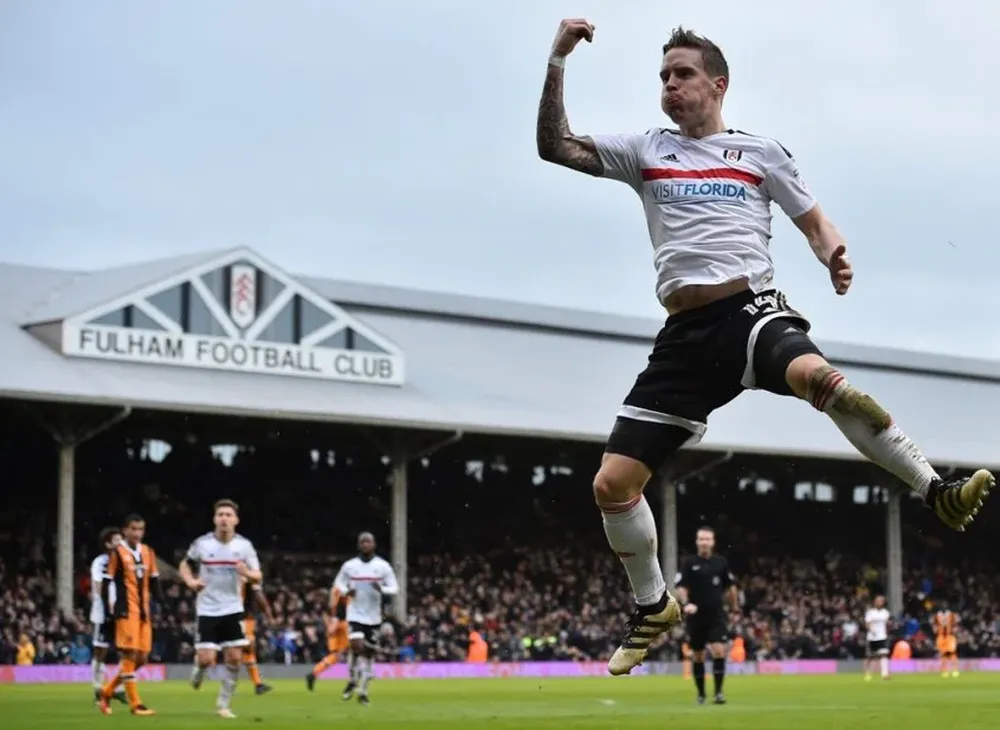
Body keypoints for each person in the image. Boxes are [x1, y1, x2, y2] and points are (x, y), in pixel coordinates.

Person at [535, 19, 995, 676]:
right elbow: (554, 146)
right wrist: (556, 61)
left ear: (717, 84)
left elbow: (814, 218)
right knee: (612, 484)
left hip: (748, 311)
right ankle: (653, 606)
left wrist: (832, 252)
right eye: (663, 76)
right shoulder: (644, 149)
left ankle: (935, 489)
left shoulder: (759, 153)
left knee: (830, 383)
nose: (670, 85)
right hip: (684, 341)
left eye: (683, 74)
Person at [179, 499, 262, 719]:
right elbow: (185, 564)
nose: (224, 518)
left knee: (234, 659)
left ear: (236, 520)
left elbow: (258, 575)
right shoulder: (202, 544)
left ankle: (223, 704)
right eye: (220, 515)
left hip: (233, 608)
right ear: (215, 519)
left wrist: (246, 573)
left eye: (228, 515)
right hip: (207, 608)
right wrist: (190, 581)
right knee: (207, 658)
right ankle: (199, 668)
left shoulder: (244, 546)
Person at [96, 514, 162, 716]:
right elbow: (107, 582)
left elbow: (154, 581)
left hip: (144, 613)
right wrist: (109, 610)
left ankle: (106, 692)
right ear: (124, 530)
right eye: (133, 529)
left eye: (140, 529)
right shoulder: (117, 553)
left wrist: (162, 604)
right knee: (129, 655)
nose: (137, 533)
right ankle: (136, 704)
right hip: (126, 611)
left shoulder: (148, 552)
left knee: (141, 658)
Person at [333, 532, 399, 705]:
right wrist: (347, 591)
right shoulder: (350, 566)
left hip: (374, 617)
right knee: (356, 645)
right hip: (355, 614)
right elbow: (338, 583)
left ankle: (362, 691)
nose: (365, 544)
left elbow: (394, 588)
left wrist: (382, 589)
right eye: (362, 541)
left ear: (374, 544)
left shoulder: (382, 566)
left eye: (368, 541)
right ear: (358, 545)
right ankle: (353, 679)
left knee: (369, 654)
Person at [674, 527, 737, 704]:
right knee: (698, 655)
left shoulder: (721, 562)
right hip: (696, 616)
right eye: (701, 539)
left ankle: (718, 693)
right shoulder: (688, 562)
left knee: (718, 650)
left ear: (713, 542)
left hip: (716, 614)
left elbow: (730, 586)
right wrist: (686, 604)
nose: (704, 542)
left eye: (707, 539)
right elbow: (681, 588)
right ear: (696, 541)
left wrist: (735, 608)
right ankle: (701, 694)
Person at [88, 526, 127, 705]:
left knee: (125, 651)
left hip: (122, 612)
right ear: (107, 544)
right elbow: (98, 585)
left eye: (121, 540)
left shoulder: (126, 561)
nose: (120, 543)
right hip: (102, 613)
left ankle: (118, 688)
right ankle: (97, 688)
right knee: (100, 652)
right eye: (116, 540)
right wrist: (108, 604)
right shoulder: (100, 562)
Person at [305, 586, 351, 691]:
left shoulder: (323, 605)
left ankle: (313, 674)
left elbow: (325, 616)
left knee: (335, 655)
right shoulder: (338, 596)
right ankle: (354, 680)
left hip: (334, 626)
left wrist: (329, 628)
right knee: (351, 650)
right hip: (342, 624)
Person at [240, 576, 274, 695]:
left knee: (248, 652)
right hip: (244, 619)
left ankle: (258, 684)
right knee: (245, 648)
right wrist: (269, 615)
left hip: (242, 618)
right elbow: (260, 597)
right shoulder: (250, 578)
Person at [863, 595, 891, 681]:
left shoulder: (885, 613)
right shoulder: (870, 612)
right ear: (875, 602)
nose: (880, 602)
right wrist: (871, 630)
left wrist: (887, 632)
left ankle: (884, 674)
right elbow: (867, 623)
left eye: (881, 601)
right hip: (872, 637)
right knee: (870, 656)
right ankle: (867, 673)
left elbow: (887, 624)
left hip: (882, 637)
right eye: (878, 601)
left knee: (883, 654)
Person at [933, 603, 960, 678]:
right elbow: (934, 625)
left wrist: (954, 630)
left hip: (950, 636)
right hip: (941, 636)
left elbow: (956, 623)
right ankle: (945, 671)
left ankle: (955, 670)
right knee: (943, 654)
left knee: (952, 653)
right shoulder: (937, 615)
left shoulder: (951, 614)